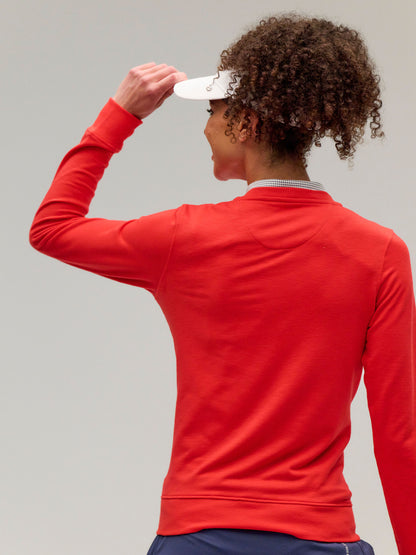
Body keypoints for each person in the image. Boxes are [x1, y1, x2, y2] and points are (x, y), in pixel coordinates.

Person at [29, 13, 415, 555]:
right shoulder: (380, 252)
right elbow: (400, 432)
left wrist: (119, 115)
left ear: (247, 123)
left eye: (211, 111)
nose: (205, 128)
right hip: (318, 537)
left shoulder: (183, 237)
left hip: (196, 536)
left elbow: (52, 228)